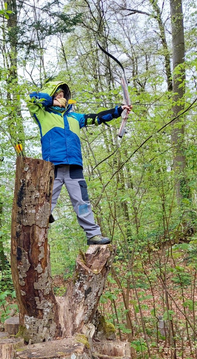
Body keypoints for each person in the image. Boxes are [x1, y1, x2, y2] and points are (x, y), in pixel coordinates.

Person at [28, 80, 132, 245]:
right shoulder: (43, 115)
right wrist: (50, 100)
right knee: (45, 203)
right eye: (57, 95)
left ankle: (93, 235)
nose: (60, 98)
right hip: (52, 167)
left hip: (74, 167)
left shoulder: (75, 118)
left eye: (62, 95)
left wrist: (118, 110)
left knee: (82, 202)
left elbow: (97, 118)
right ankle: (34, 239)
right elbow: (32, 99)